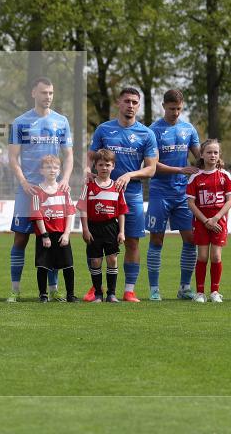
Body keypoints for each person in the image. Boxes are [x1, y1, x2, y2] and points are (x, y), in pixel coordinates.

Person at [87, 87, 157, 302]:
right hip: (102, 195)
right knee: (98, 243)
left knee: (132, 242)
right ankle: (95, 288)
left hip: (132, 194)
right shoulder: (104, 129)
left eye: (135, 102)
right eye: (127, 101)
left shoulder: (147, 133)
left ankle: (129, 289)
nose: (131, 105)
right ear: (119, 102)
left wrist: (129, 174)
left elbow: (151, 168)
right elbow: (89, 158)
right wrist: (88, 174)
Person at [7, 77, 73, 302]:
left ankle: (53, 290)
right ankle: (14, 291)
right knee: (21, 239)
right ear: (33, 93)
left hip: (52, 192)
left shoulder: (61, 121)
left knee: (53, 237)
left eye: (51, 93)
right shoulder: (20, 122)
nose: (48, 97)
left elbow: (69, 154)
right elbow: (13, 157)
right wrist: (24, 182)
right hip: (28, 192)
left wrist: (64, 179)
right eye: (44, 92)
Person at [145, 89, 201, 301]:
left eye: (178, 108)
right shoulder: (153, 131)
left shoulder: (189, 129)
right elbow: (152, 164)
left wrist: (211, 161)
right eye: (171, 109)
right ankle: (154, 289)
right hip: (160, 192)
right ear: (163, 106)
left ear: (182, 106)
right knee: (157, 239)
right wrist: (180, 170)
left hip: (183, 194)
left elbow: (199, 157)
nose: (175, 113)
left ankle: (184, 287)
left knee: (191, 239)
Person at [186, 140, 231, 303]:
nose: (212, 155)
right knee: (202, 256)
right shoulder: (195, 177)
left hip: (218, 221)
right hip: (201, 222)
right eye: (209, 152)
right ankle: (200, 293)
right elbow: (191, 203)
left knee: (215, 256)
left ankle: (215, 291)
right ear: (201, 155)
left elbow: (229, 201)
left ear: (219, 154)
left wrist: (215, 218)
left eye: (215, 152)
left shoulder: (225, 176)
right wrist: (206, 220)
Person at [78, 149, 127, 303]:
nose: (104, 168)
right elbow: (83, 208)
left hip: (111, 227)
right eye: (100, 165)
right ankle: (98, 294)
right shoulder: (89, 185)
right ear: (95, 166)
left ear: (113, 166)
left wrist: (122, 232)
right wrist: (85, 229)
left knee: (112, 259)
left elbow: (121, 212)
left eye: (107, 164)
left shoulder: (117, 187)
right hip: (93, 227)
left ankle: (111, 294)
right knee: (96, 261)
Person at [30, 155, 78, 302]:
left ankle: (70, 294)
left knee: (68, 266)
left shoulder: (64, 190)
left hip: (62, 234)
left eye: (55, 167)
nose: (52, 170)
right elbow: (37, 214)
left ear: (59, 171)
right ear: (41, 171)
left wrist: (67, 234)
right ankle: (43, 294)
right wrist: (44, 235)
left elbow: (69, 213)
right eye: (48, 167)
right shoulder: (37, 191)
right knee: (43, 266)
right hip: (45, 235)